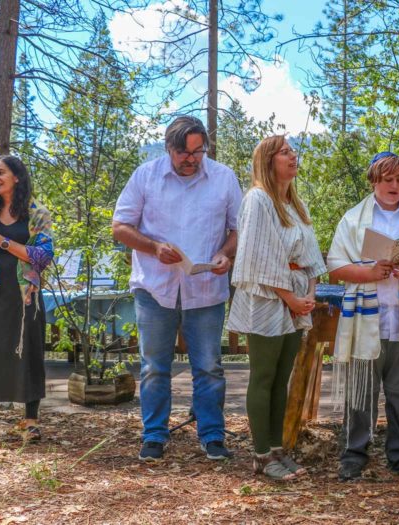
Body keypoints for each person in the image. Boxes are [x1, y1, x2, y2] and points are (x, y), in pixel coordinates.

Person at [112, 116, 243, 462]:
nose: (192, 159)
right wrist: (154, 247)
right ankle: (154, 434)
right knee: (154, 366)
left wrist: (224, 253)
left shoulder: (224, 178)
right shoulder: (146, 175)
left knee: (210, 366)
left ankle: (212, 435)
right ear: (169, 148)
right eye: (185, 153)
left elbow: (237, 230)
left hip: (206, 286)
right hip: (155, 288)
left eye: (199, 151)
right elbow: (120, 227)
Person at [328, 152, 399, 482]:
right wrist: (371, 271)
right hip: (367, 317)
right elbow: (336, 265)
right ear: (374, 181)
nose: (395, 185)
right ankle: (354, 452)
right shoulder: (353, 219)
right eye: (387, 179)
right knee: (361, 389)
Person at [227, 136, 326, 480]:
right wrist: (291, 299)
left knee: (282, 379)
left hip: (295, 300)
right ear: (268, 161)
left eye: (292, 151)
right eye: (285, 152)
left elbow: (310, 255)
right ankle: (261, 455)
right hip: (267, 299)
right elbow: (258, 257)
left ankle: (278, 449)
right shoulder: (258, 200)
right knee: (264, 376)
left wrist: (309, 293)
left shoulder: (295, 205)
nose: (293, 156)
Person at [0, 155, 54, 443]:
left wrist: (2, 242)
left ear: (16, 176)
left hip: (24, 291)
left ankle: (30, 421)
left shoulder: (36, 212)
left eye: (0, 172)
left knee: (27, 349)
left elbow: (42, 256)